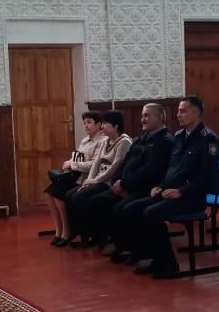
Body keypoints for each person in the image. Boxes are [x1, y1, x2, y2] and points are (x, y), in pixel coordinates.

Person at [115, 97, 219, 279]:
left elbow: (207, 178)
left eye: (183, 111)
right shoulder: (179, 136)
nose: (178, 114)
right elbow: (172, 169)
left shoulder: (208, 139)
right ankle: (154, 257)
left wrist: (181, 192)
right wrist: (160, 186)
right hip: (170, 192)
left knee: (151, 213)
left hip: (191, 197)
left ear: (196, 113)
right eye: (178, 110)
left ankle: (169, 263)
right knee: (132, 208)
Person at [99, 103, 175, 261]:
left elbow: (151, 170)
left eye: (147, 115)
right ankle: (122, 245)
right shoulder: (141, 139)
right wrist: (117, 181)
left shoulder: (165, 141)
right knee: (103, 202)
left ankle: (138, 250)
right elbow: (124, 163)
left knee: (124, 208)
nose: (142, 119)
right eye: (142, 116)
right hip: (128, 186)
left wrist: (125, 184)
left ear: (160, 118)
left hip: (148, 188)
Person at [65, 110, 132, 247]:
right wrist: (88, 181)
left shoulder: (124, 142)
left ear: (116, 126)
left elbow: (115, 167)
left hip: (109, 181)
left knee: (82, 198)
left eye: (106, 124)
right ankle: (80, 234)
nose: (102, 127)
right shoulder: (105, 141)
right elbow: (96, 162)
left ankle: (91, 236)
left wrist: (95, 181)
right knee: (70, 195)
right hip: (98, 179)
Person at [43, 111, 105, 246]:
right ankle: (59, 230)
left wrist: (73, 164)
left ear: (99, 124)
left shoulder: (102, 141)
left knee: (58, 193)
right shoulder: (84, 140)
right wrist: (69, 162)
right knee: (49, 192)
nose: (86, 126)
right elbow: (77, 157)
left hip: (87, 178)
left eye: (89, 122)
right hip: (76, 176)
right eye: (84, 123)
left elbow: (94, 165)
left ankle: (67, 230)